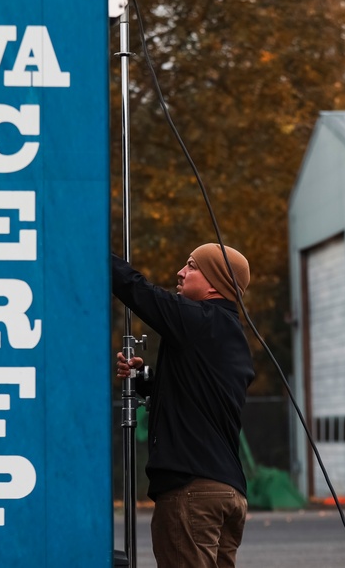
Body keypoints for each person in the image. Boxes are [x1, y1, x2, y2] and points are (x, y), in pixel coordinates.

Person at [113, 243, 255, 568]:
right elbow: (194, 393)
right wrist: (144, 377)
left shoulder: (198, 321)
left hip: (192, 491)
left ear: (215, 282)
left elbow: (138, 291)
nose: (180, 272)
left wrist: (93, 248)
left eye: (191, 265)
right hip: (228, 493)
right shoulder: (232, 337)